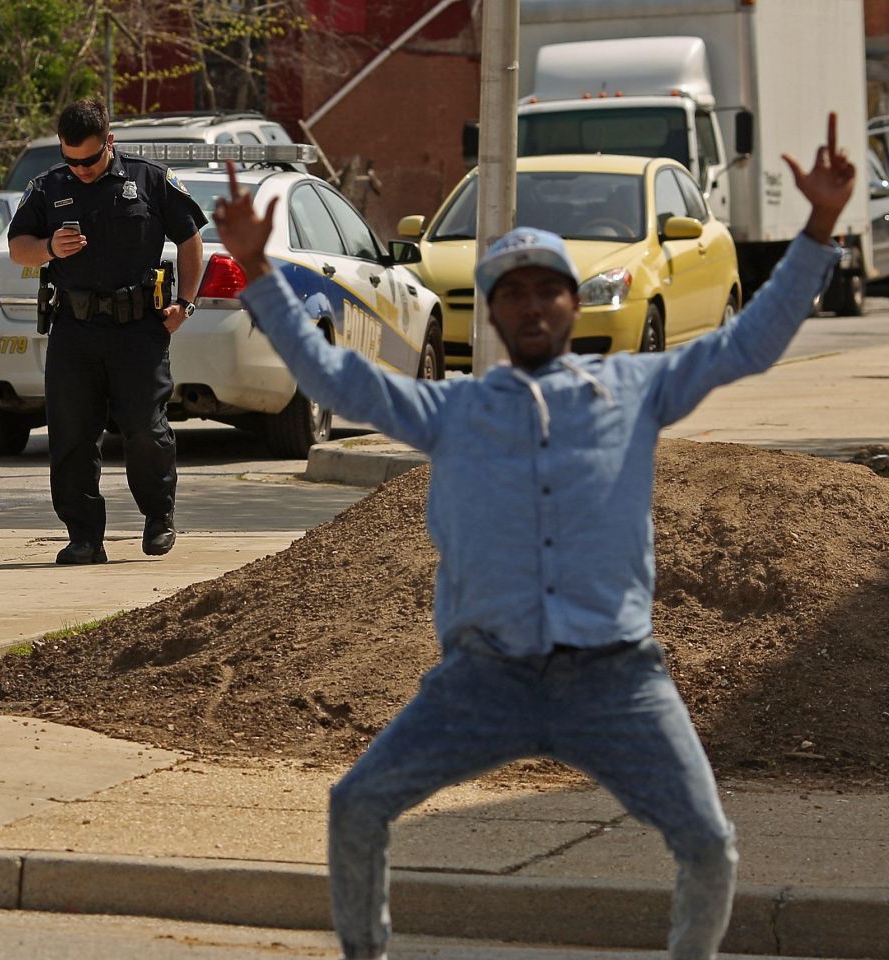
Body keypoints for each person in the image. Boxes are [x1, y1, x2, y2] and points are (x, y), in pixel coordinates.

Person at [212, 114, 855, 960]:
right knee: (356, 805)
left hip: (619, 682)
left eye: (546, 287)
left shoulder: (635, 389)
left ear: (571, 297)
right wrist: (257, 270)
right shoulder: (453, 410)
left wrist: (817, 230)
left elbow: (748, 344)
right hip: (483, 682)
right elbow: (334, 376)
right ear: (492, 311)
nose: (531, 303)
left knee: (708, 843)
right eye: (511, 292)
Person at [7, 98, 208, 564]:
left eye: (90, 159)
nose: (79, 168)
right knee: (72, 437)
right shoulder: (46, 188)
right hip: (74, 330)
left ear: (110, 143)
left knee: (144, 430)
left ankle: (158, 516)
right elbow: (19, 249)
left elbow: (191, 238)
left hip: (138, 329)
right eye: (70, 159)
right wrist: (49, 248)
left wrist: (186, 304)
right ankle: (84, 537)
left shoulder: (148, 180)